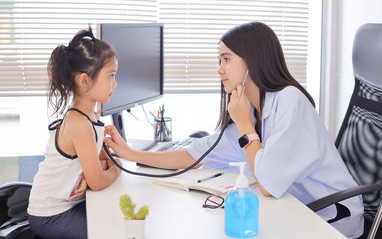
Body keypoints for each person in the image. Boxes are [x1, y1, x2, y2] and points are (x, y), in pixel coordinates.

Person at [104, 22, 364, 238]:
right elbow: (193, 155)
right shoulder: (251, 108)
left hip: (331, 218)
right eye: (220, 60)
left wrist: (245, 127)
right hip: (295, 208)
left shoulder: (289, 101)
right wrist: (132, 155)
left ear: (252, 61)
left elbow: (268, 185)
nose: (219, 69)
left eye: (226, 59)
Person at [28, 27, 122, 239]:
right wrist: (118, 169)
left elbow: (103, 163)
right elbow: (102, 176)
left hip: (69, 205)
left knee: (119, 218)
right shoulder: (79, 123)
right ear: (84, 80)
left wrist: (100, 172)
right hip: (51, 214)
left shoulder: (92, 117)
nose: (115, 84)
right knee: (111, 232)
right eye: (111, 76)